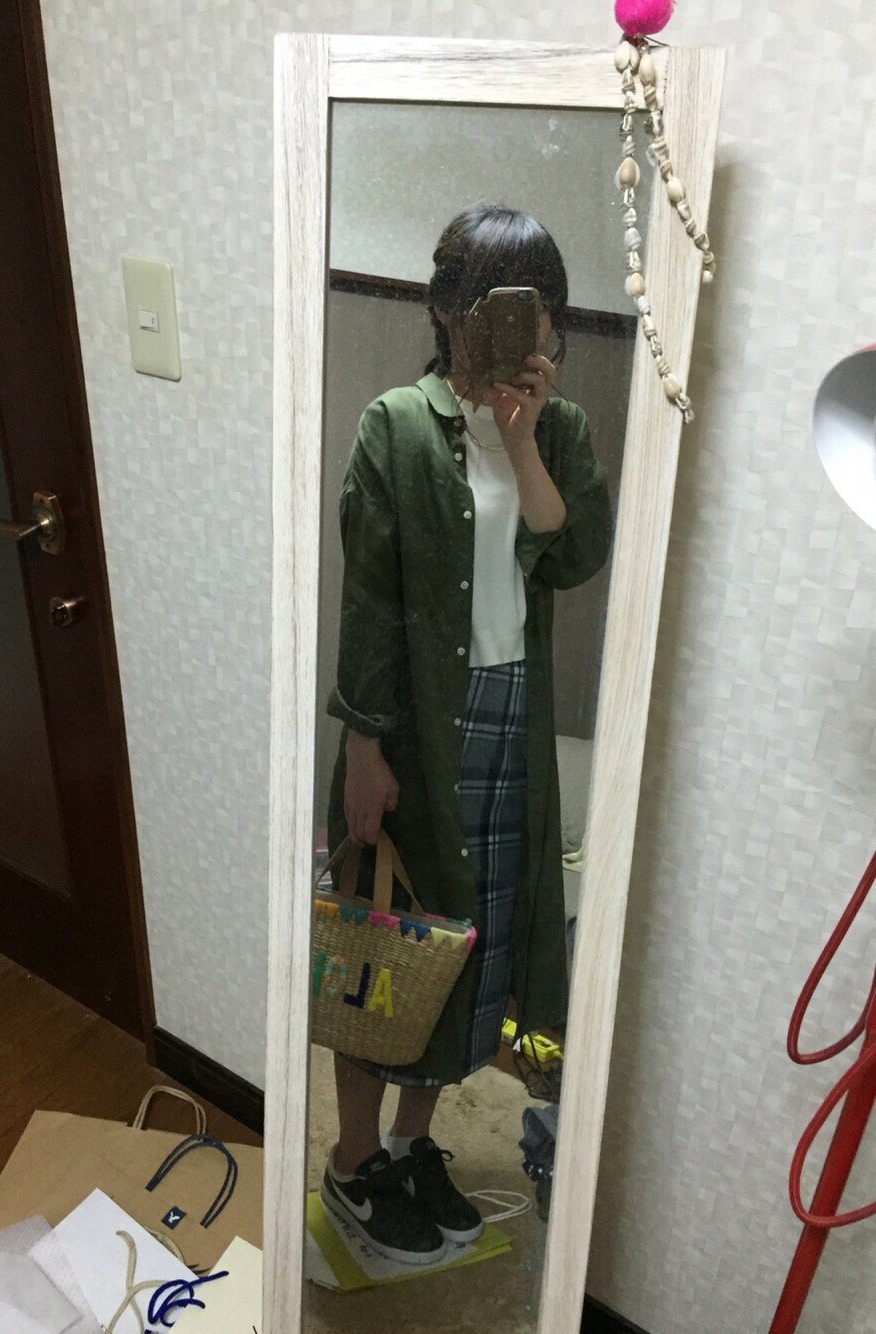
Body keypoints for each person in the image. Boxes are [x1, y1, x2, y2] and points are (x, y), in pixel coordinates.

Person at [320, 203, 613, 1266]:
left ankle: (410, 1145)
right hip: (411, 728)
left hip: (507, 725)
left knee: (467, 958)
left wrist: (522, 439)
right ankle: (352, 1158)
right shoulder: (396, 425)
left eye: (540, 307)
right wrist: (364, 746)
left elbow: (572, 555)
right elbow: (370, 598)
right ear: (445, 308)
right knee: (388, 950)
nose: (523, 326)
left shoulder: (559, 429)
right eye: (496, 304)